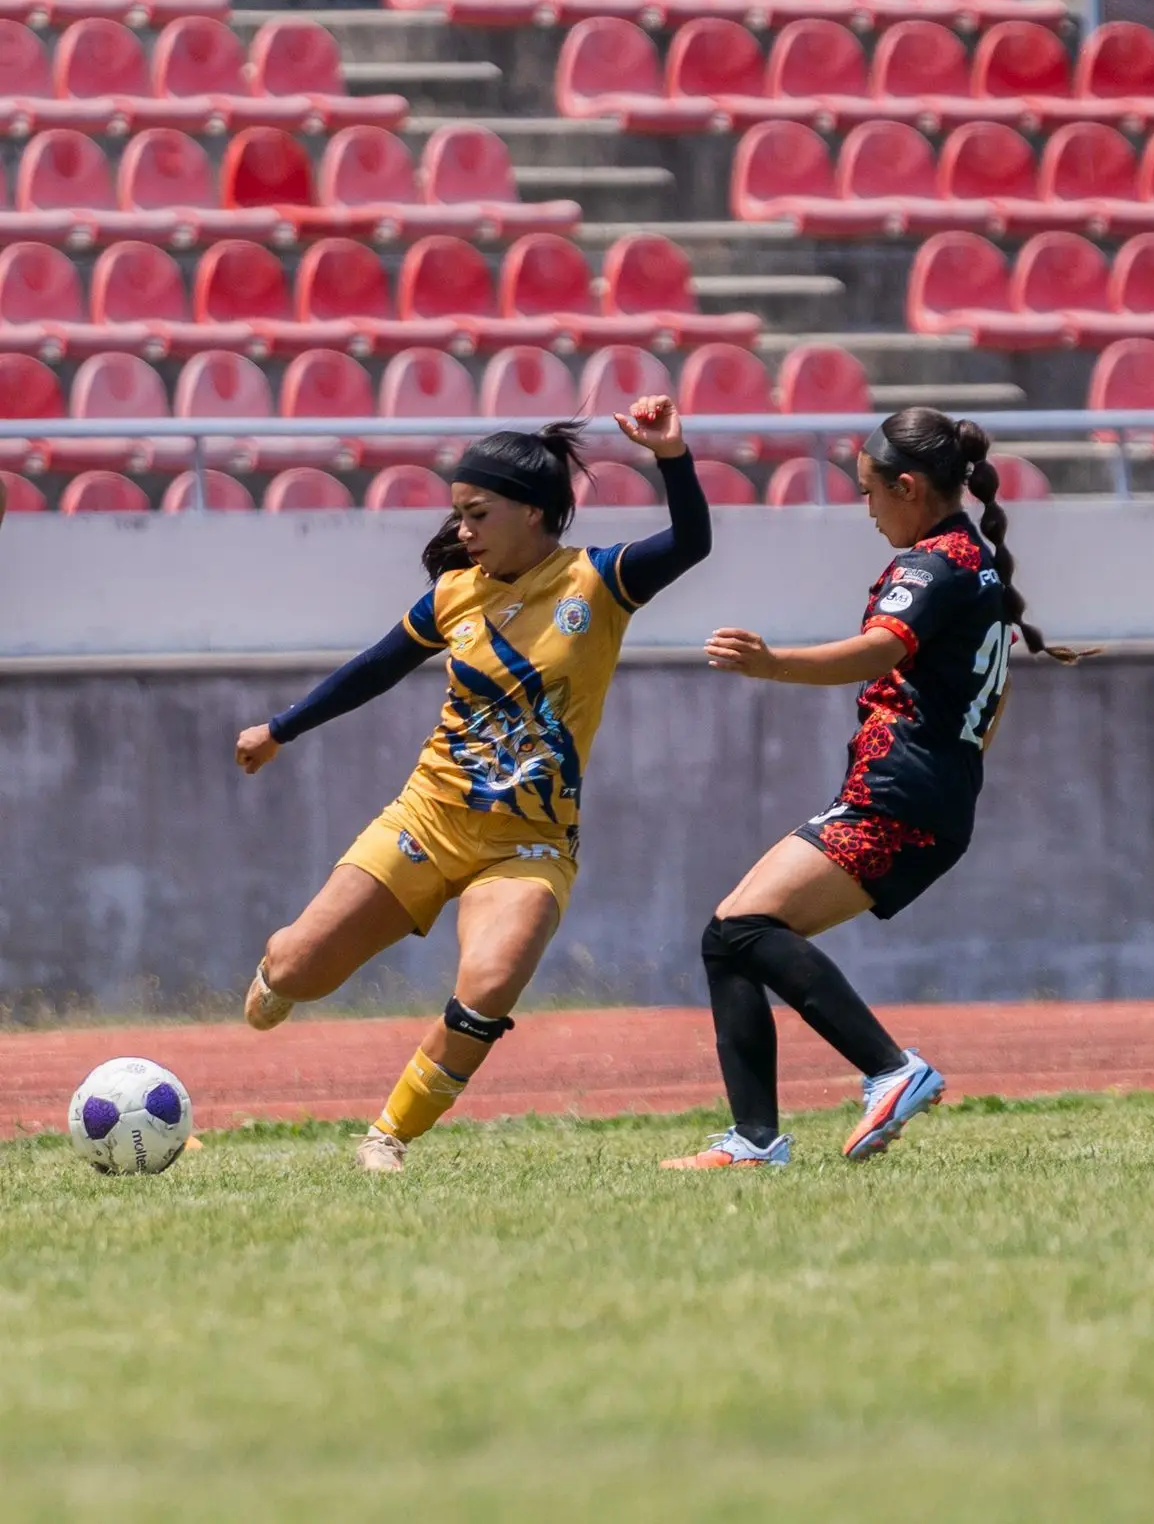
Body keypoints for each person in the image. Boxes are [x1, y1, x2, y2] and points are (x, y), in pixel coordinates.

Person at [235, 398, 710, 1172]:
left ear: (533, 512)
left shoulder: (598, 581)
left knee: (488, 986)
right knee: (296, 969)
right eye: (458, 514)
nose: (461, 530)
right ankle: (282, 971)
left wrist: (672, 455)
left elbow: (693, 542)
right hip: (426, 822)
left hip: (529, 846)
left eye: (477, 514)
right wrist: (280, 729)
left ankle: (386, 1136)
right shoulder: (454, 595)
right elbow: (375, 669)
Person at [662, 407, 1087, 1171]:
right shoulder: (976, 563)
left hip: (898, 798)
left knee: (742, 930)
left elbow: (878, 649)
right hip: (923, 797)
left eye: (870, 492)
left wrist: (771, 664)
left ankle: (891, 1070)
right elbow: (992, 703)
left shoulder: (933, 564)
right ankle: (754, 1141)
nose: (867, 510)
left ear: (909, 487)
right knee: (730, 937)